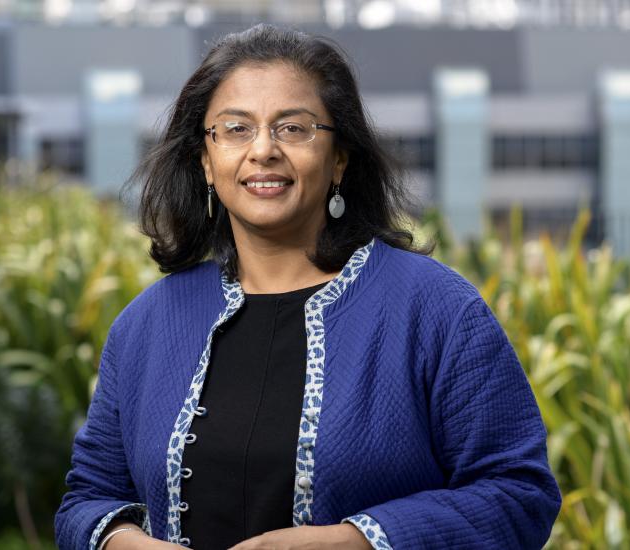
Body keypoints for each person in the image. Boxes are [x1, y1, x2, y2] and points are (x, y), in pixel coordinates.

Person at [55, 24, 561, 550]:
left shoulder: (435, 309)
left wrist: (355, 542)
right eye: (235, 129)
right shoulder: (147, 323)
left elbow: (518, 495)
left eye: (293, 129)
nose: (263, 150)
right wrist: (120, 541)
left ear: (339, 157)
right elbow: (88, 497)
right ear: (206, 161)